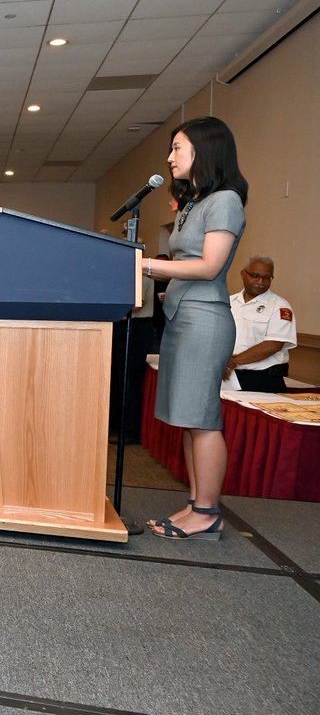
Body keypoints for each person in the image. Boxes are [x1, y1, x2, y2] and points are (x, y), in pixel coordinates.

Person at [146, 116, 247, 541]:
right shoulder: (195, 202)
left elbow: (209, 266)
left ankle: (207, 512)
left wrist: (146, 265)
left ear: (204, 151)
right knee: (190, 418)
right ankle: (195, 503)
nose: (170, 158)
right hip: (183, 316)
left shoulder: (225, 200)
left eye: (178, 148)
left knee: (203, 418)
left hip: (204, 320)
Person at [226, 255, 296, 393]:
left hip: (261, 380)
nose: (260, 281)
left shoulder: (280, 306)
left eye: (267, 278)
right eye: (255, 275)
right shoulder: (228, 302)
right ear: (242, 274)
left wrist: (233, 362)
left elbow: (273, 345)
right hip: (226, 376)